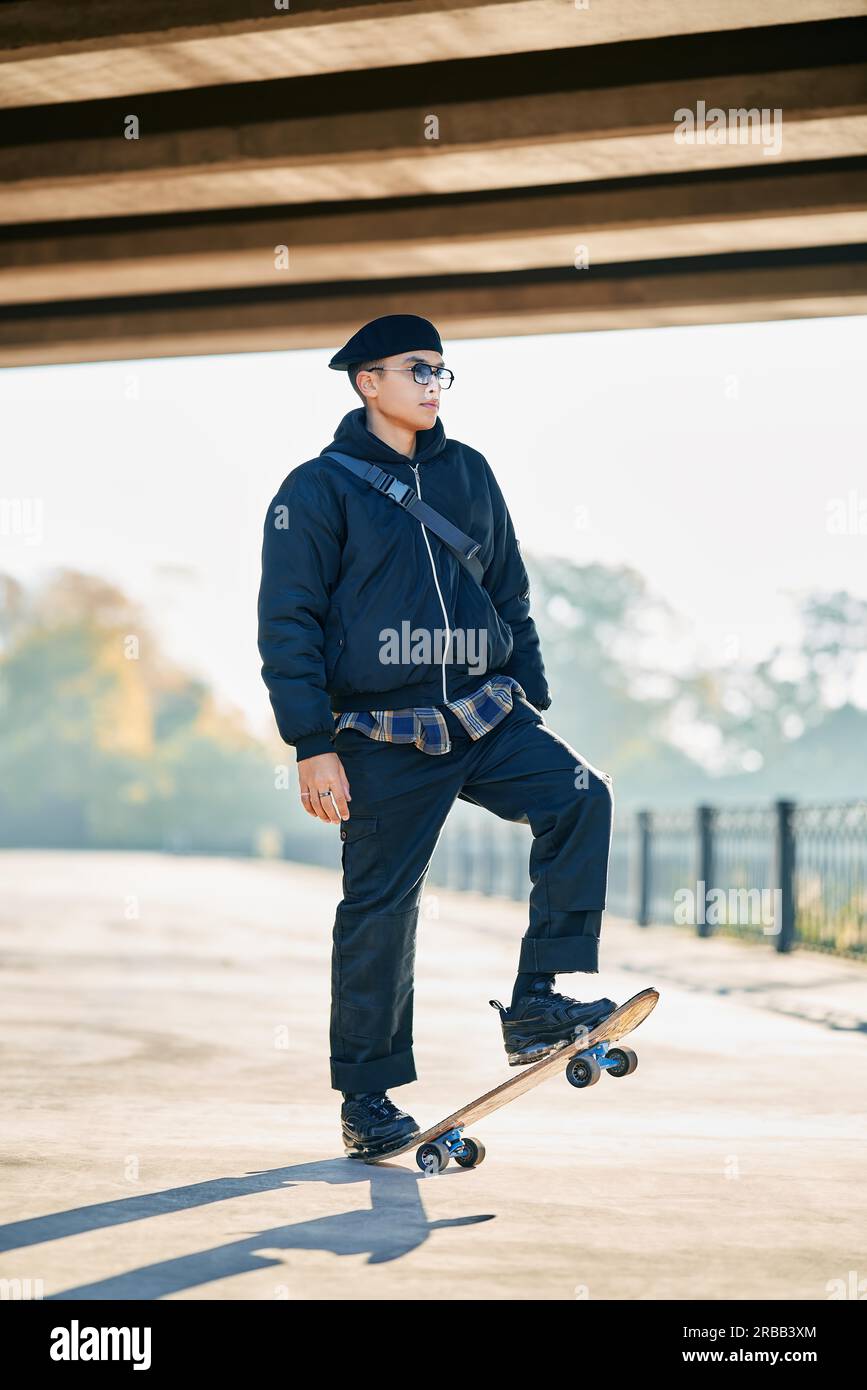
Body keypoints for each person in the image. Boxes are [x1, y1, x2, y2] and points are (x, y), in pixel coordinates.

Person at [257, 313, 616, 1160]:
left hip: (488, 717)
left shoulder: (468, 473)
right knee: (381, 907)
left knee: (578, 797)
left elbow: (508, 585)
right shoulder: (315, 490)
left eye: (441, 372)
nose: (432, 384)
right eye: (417, 369)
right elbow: (289, 622)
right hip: (380, 736)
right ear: (366, 381)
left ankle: (537, 1002)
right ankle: (367, 1098)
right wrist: (312, 743)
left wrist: (529, 686)